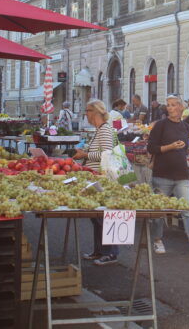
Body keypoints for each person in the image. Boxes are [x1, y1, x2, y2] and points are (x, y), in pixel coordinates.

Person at [147, 94, 189, 257]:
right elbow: (151, 148)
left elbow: (182, 147)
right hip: (162, 173)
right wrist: (170, 146)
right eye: (168, 105)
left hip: (181, 173)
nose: (170, 108)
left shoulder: (184, 126)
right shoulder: (161, 125)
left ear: (182, 107)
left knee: (187, 210)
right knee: (159, 210)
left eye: (174, 104)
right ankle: (157, 240)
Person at [73, 100, 118, 266]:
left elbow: (106, 154)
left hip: (102, 178)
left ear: (96, 112)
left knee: (104, 216)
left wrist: (85, 155)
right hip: (94, 177)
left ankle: (110, 253)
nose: (86, 113)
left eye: (88, 110)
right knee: (96, 216)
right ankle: (99, 250)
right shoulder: (99, 130)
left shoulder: (105, 130)